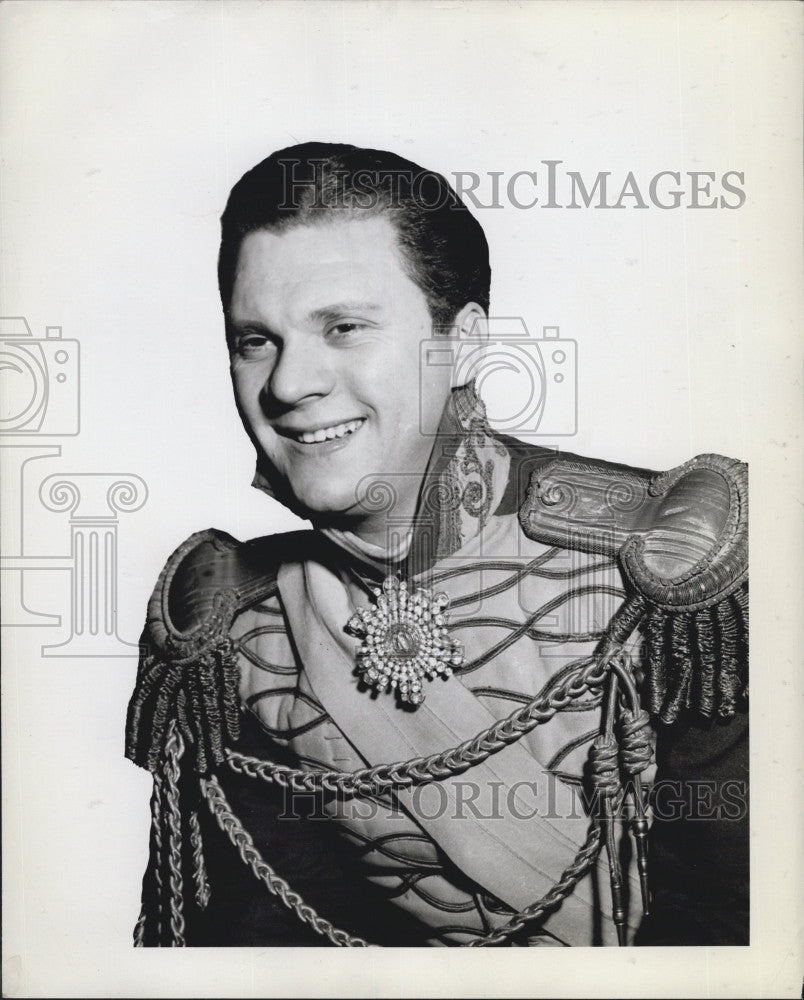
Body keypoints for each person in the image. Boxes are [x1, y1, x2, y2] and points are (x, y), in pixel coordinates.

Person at [125, 142, 748, 947]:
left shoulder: (675, 571)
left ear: (463, 342)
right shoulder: (223, 630)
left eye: (343, 328)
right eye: (255, 340)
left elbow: (732, 937)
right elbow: (246, 950)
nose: (286, 385)